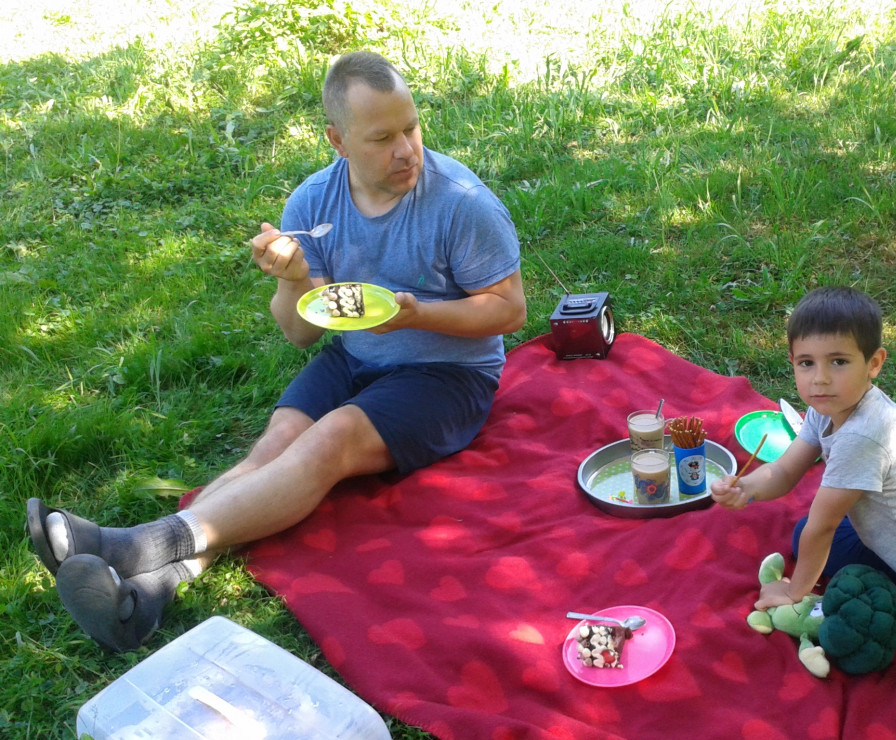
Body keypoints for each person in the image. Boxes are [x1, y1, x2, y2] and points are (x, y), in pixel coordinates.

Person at [25, 51, 526, 651]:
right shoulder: (313, 205)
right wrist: (292, 278)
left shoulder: (462, 203)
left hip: (447, 373)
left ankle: (135, 546)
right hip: (356, 354)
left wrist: (419, 314)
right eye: (383, 137)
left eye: (412, 128)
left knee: (329, 440)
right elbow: (301, 332)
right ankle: (152, 591)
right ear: (337, 140)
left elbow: (509, 310)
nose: (406, 151)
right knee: (276, 445)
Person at [711, 286, 896, 609]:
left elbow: (822, 528)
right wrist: (746, 488)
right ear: (792, 362)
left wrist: (794, 593)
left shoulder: (860, 439)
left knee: (805, 534)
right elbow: (785, 469)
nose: (820, 379)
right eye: (807, 363)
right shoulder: (831, 406)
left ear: (873, 363)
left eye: (838, 362)